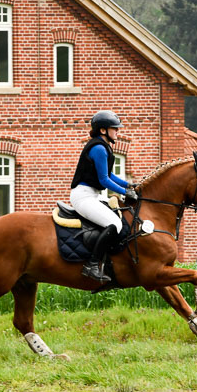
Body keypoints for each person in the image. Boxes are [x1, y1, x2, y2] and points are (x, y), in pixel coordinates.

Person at [70, 110, 138, 283]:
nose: (117, 131)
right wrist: (125, 192)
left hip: (92, 195)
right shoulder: (99, 148)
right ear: (103, 130)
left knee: (120, 217)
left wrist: (130, 186)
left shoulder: (103, 146)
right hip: (83, 197)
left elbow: (111, 175)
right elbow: (104, 180)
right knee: (114, 224)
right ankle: (91, 265)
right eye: (114, 128)